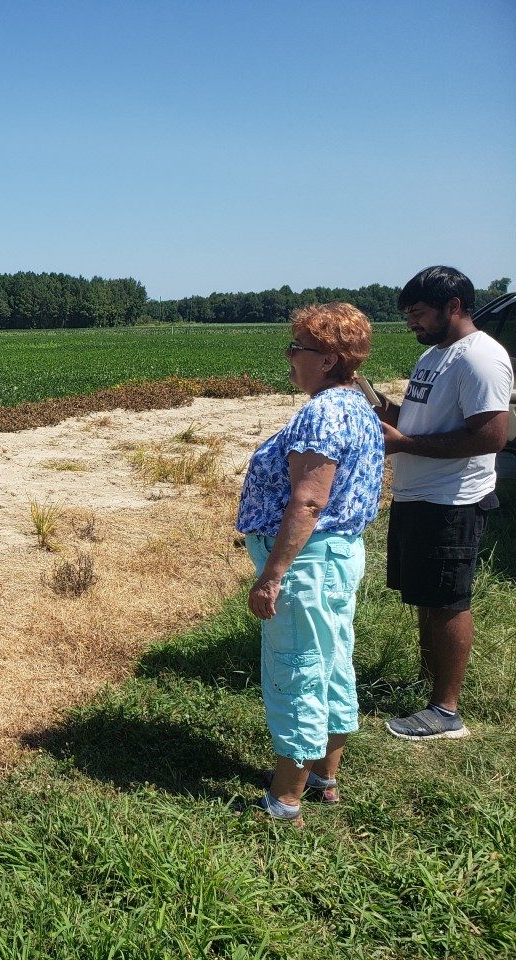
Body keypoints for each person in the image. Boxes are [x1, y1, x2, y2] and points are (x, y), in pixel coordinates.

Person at [236, 303, 385, 822]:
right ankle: (325, 775)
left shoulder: (323, 412)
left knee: (295, 667)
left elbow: (308, 501)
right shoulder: (358, 405)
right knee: (332, 658)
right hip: (339, 555)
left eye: (297, 347)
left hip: (308, 561)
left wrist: (272, 575)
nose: (289, 356)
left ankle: (284, 799)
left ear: (326, 359)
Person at [372, 266, 512, 740]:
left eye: (418, 313)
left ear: (454, 306)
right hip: (420, 494)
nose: (412, 322)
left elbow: (492, 436)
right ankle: (432, 691)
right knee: (428, 597)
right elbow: (420, 421)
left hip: (452, 499)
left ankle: (446, 711)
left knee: (449, 600)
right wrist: (383, 410)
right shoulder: (437, 354)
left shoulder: (481, 358)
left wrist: (404, 443)